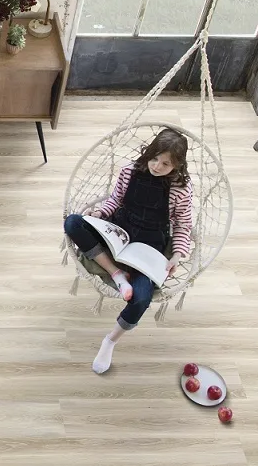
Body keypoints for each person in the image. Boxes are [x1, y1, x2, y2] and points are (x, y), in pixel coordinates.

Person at [63, 128, 193, 374]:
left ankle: (110, 341)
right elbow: (115, 200)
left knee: (141, 298)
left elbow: (183, 225)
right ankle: (116, 273)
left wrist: (177, 255)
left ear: (177, 166)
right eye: (154, 158)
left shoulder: (181, 190)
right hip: (118, 232)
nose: (156, 166)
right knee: (73, 223)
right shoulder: (130, 171)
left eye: (165, 164)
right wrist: (100, 213)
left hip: (148, 248)